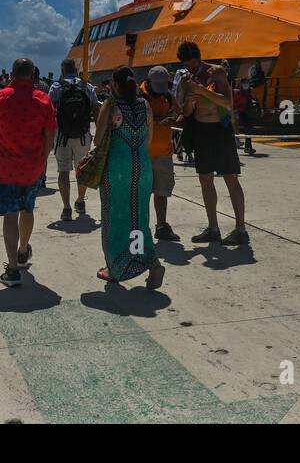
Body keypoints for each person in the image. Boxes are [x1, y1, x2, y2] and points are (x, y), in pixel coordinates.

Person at [94, 67, 166, 289]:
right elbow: (149, 138)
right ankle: (150, 262)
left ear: (114, 85)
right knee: (138, 218)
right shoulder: (144, 105)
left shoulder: (111, 105)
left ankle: (115, 268)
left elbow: (97, 140)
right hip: (142, 168)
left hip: (117, 169)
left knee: (114, 218)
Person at [0, 57, 57, 288]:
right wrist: (43, 158)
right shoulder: (44, 100)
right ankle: (22, 251)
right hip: (32, 168)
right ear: (33, 75)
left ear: (12, 74)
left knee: (10, 216)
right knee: (27, 210)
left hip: (5, 167)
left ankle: (12, 270)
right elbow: (50, 134)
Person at [175, 41, 248, 245]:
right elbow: (187, 112)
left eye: (192, 63)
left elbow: (227, 102)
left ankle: (240, 228)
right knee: (205, 179)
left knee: (230, 178)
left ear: (199, 58)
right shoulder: (185, 79)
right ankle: (212, 227)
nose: (189, 68)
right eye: (186, 65)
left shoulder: (216, 72)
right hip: (201, 131)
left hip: (220, 130)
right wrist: (190, 100)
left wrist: (202, 91)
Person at [49, 58, 99, 223]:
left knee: (63, 171)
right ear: (76, 70)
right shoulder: (86, 86)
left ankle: (66, 208)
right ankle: (80, 200)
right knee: (81, 169)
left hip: (62, 135)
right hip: (82, 135)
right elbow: (95, 108)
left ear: (62, 71)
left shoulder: (56, 87)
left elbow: (49, 110)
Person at [141, 66, 180, 241]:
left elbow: (181, 114)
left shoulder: (168, 96)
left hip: (164, 152)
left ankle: (161, 226)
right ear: (148, 82)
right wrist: (156, 120)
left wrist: (174, 119)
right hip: (143, 153)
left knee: (162, 192)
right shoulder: (138, 96)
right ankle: (140, 228)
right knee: (141, 194)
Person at [234, 78, 256, 155]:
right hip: (242, 113)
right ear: (241, 84)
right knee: (247, 131)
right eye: (244, 83)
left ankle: (248, 147)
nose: (246, 84)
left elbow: (255, 100)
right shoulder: (238, 92)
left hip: (249, 113)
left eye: (247, 83)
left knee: (248, 131)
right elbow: (236, 103)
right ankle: (247, 147)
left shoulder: (251, 90)